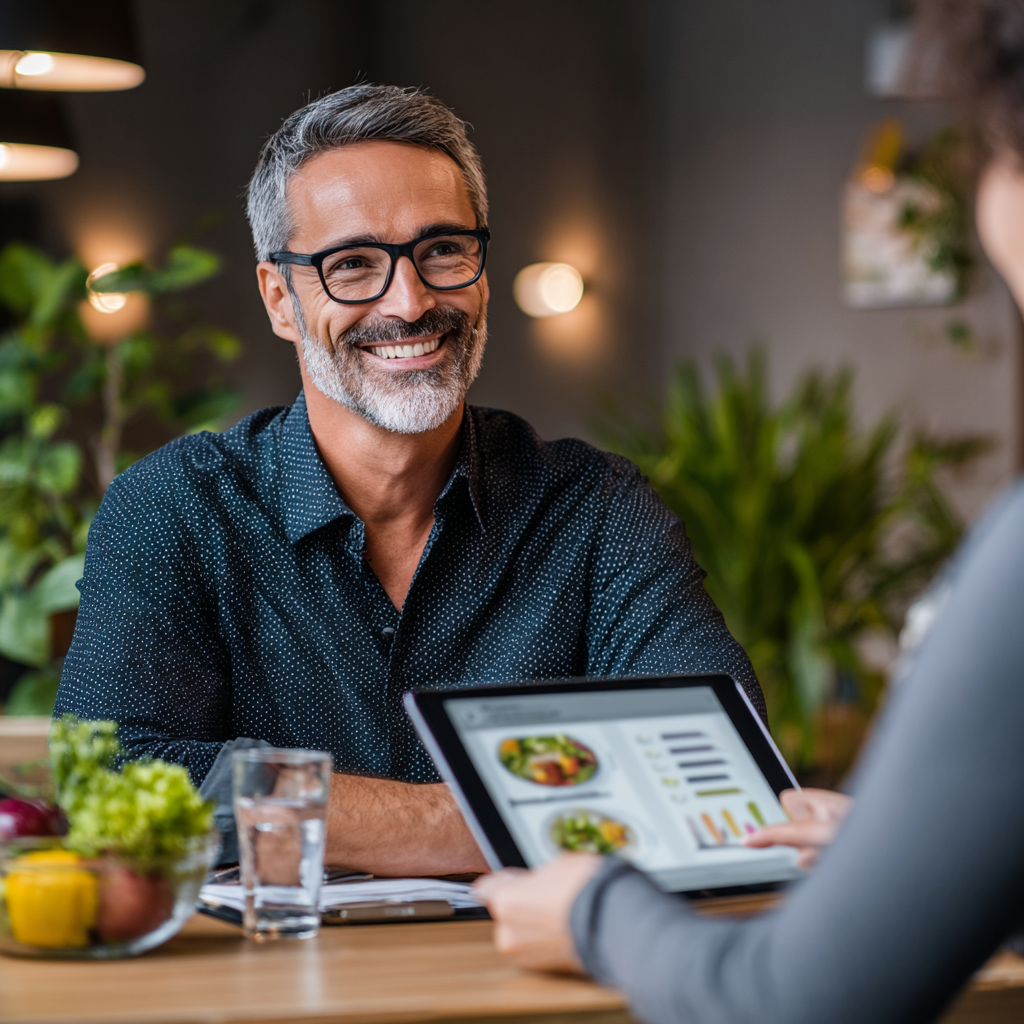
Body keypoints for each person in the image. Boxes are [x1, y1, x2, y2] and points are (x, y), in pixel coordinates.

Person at [55, 84, 763, 874]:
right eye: (351, 263)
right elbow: (111, 781)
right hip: (268, 986)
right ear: (280, 298)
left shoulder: (597, 510)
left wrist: (281, 802)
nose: (410, 300)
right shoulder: (175, 509)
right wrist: (479, 820)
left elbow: (721, 767)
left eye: (442, 251)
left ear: (482, 271)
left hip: (537, 976)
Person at [475, 3, 1024, 1021]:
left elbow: (790, 1003)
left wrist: (598, 910)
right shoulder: (181, 503)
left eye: (991, 146)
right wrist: (914, 852)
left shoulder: (599, 500)